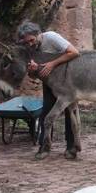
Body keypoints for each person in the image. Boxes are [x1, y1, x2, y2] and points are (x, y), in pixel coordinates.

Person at [16, 21, 80, 159]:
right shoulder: (30, 48)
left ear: (38, 34)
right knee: (45, 113)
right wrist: (32, 70)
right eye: (26, 42)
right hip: (49, 84)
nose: (30, 44)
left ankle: (71, 147)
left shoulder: (51, 37)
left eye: (32, 40)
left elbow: (74, 52)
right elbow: (34, 75)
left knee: (69, 114)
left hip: (66, 83)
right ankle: (44, 147)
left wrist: (52, 64)